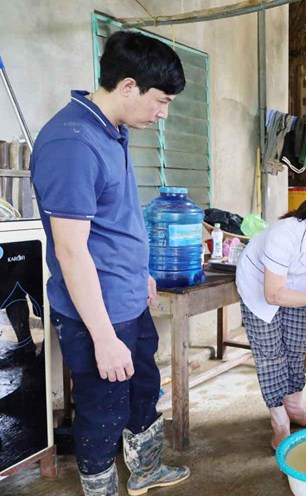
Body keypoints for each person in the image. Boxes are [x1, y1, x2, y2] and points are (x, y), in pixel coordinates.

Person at [30, 31, 190, 495]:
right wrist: (103, 338)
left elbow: (115, 219)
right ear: (127, 86)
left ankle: (145, 470)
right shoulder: (71, 144)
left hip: (126, 299)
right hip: (94, 314)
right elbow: (71, 251)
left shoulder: (111, 130)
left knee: (142, 391)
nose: (163, 114)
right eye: (161, 101)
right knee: (103, 410)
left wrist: (140, 273)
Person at [236, 197, 306, 449]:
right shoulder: (284, 234)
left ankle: (295, 408)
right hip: (260, 285)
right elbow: (273, 294)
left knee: (296, 347)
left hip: (297, 283)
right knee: (270, 353)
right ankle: (280, 423)